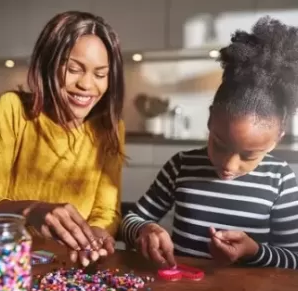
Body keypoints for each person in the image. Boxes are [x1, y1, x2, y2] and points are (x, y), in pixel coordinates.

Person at [121, 16, 298, 269]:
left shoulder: (280, 181)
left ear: (276, 141)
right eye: (220, 145)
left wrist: (254, 252)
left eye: (248, 156)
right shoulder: (181, 166)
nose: (229, 165)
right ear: (210, 119)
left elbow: (294, 260)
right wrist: (144, 230)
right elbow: (130, 219)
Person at [0, 11, 125, 267]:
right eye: (74, 69)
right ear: (47, 65)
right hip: (10, 264)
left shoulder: (110, 128)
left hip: (69, 269)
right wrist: (31, 210)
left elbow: (107, 211)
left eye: (100, 75)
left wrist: (97, 233)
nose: (87, 85)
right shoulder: (11, 110)